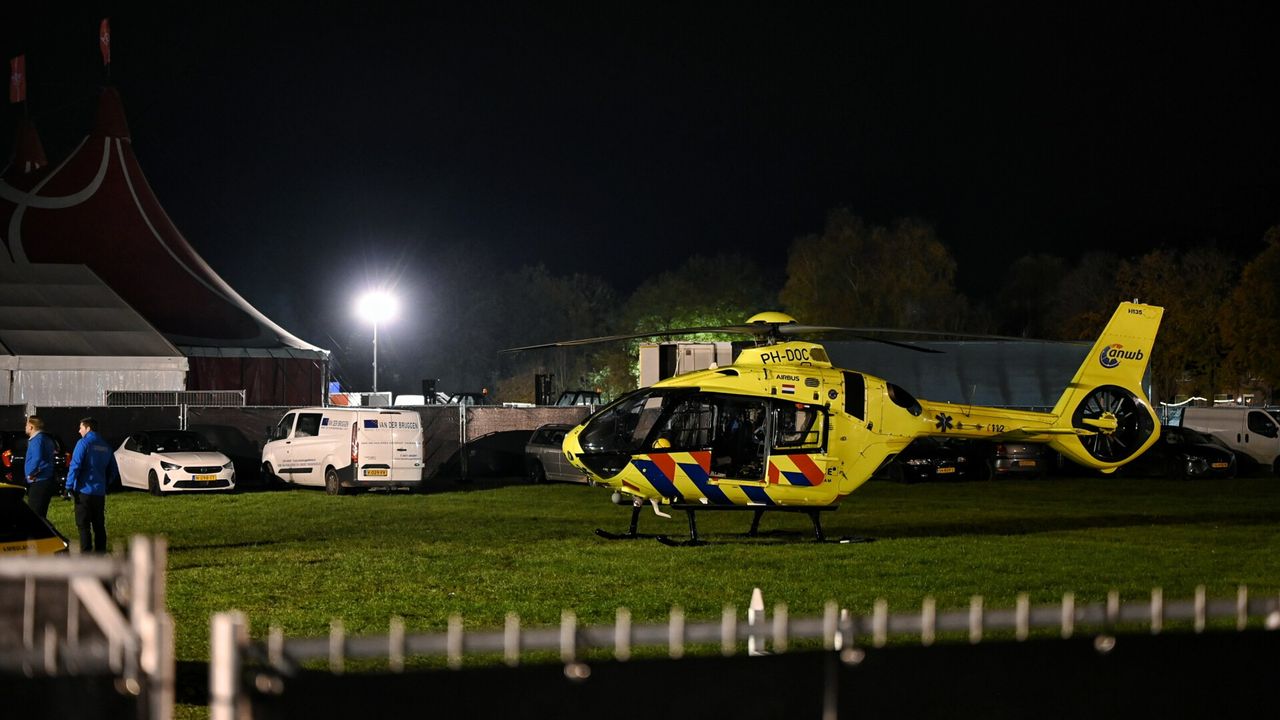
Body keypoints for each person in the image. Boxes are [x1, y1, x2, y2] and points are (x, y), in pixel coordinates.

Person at [65, 417, 118, 553]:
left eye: (81, 427)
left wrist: (69, 486)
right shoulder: (106, 446)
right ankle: (101, 552)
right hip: (99, 492)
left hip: (83, 490)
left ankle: (86, 554)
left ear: (88, 428)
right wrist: (105, 483)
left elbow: (75, 465)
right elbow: (113, 470)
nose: (79, 431)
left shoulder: (83, 443)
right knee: (99, 525)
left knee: (83, 525)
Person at [23, 415, 57, 518]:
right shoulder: (46, 438)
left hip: (39, 479)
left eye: (26, 425)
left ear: (31, 426)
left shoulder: (37, 439)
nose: (25, 427)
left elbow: (37, 458)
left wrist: (30, 473)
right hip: (45, 479)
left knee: (34, 515)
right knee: (41, 514)